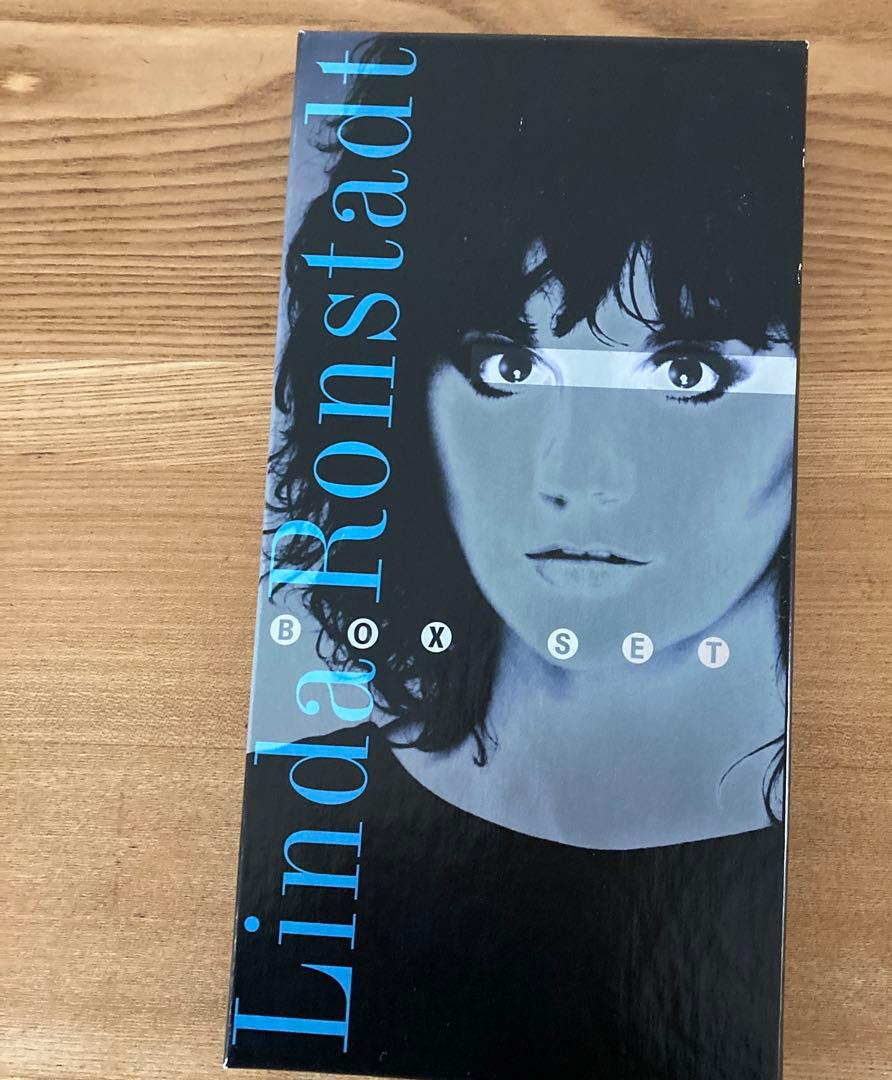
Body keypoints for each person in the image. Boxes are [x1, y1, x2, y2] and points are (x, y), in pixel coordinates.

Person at [241, 32, 805, 1079]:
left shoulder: (862, 868)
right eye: (505, 364)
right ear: (407, 403)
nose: (579, 473)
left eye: (687, 373)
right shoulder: (299, 835)